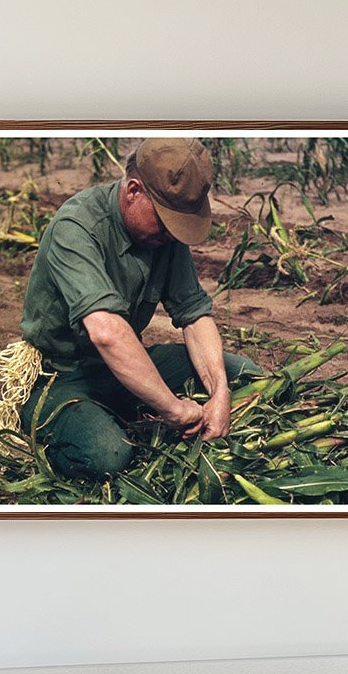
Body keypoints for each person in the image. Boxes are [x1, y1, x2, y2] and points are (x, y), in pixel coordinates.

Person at [15, 137, 259, 481]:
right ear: (133, 191)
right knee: (107, 455)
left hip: (123, 369)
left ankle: (127, 407)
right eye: (166, 222)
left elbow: (194, 315)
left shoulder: (161, 237)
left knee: (244, 373)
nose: (171, 235)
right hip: (62, 376)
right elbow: (107, 333)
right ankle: (54, 425)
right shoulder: (77, 226)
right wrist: (173, 409)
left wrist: (220, 393)